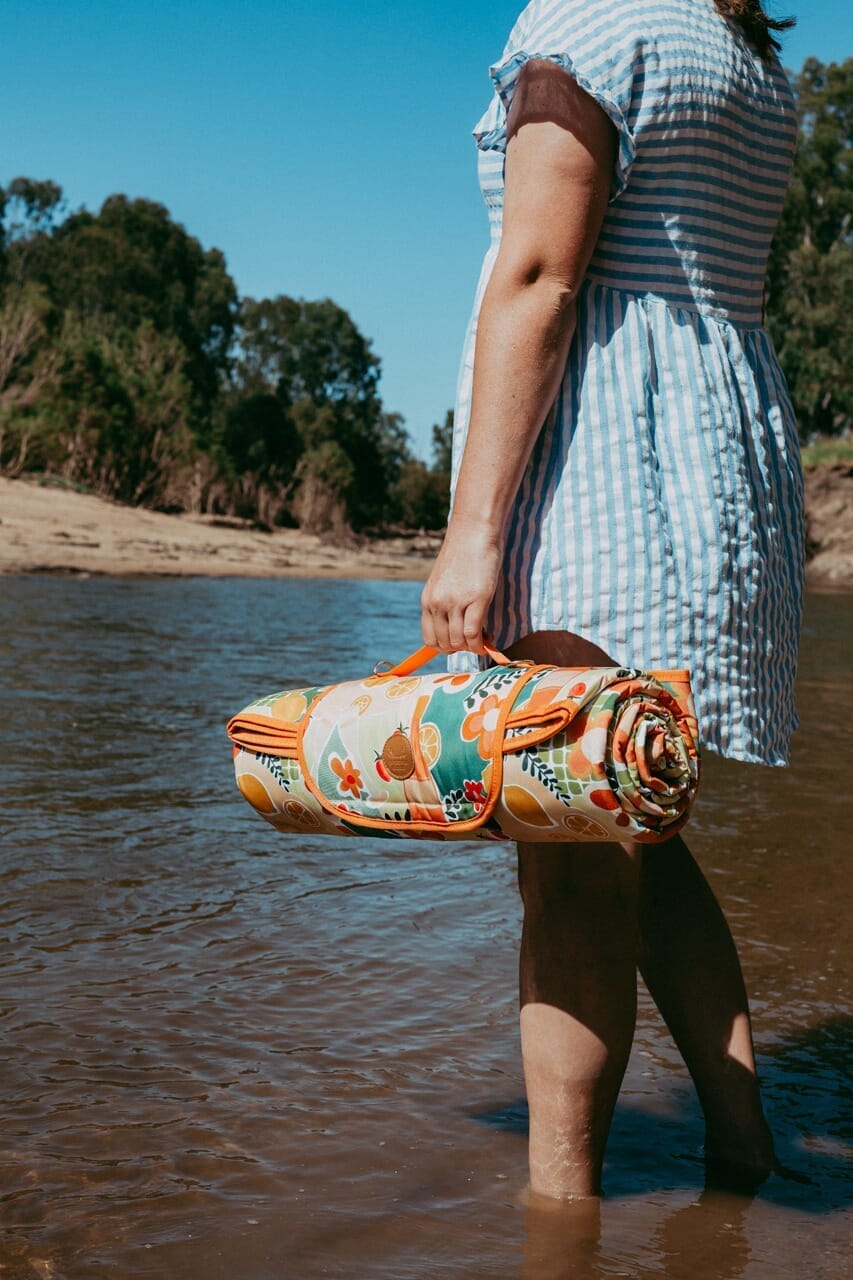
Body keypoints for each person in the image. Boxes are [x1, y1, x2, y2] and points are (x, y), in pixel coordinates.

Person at [421, 0, 804, 1200]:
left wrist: (470, 540)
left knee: (571, 861)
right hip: (715, 465)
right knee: (635, 822)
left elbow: (536, 277)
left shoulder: (587, 21)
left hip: (602, 471)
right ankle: (743, 1151)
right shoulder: (739, 47)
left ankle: (558, 1219)